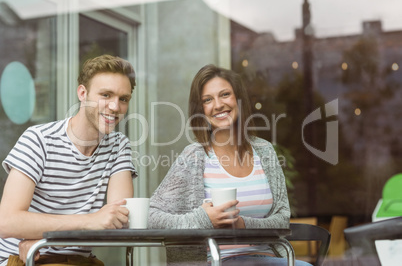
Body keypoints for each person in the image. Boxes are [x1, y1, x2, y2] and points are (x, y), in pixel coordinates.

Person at [148, 64, 311, 265]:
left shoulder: (264, 151)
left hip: (267, 258)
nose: (217, 105)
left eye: (224, 94)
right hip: (215, 261)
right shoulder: (193, 156)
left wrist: (243, 224)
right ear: (200, 110)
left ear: (238, 100)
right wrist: (203, 219)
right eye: (207, 100)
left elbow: (282, 218)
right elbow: (152, 216)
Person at [0, 54, 137, 266]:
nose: (115, 107)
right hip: (25, 259)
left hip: (79, 261)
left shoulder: (118, 145)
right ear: (82, 93)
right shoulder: (39, 139)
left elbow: (119, 219)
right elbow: (7, 221)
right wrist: (89, 221)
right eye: (106, 95)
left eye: (123, 99)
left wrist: (47, 235)